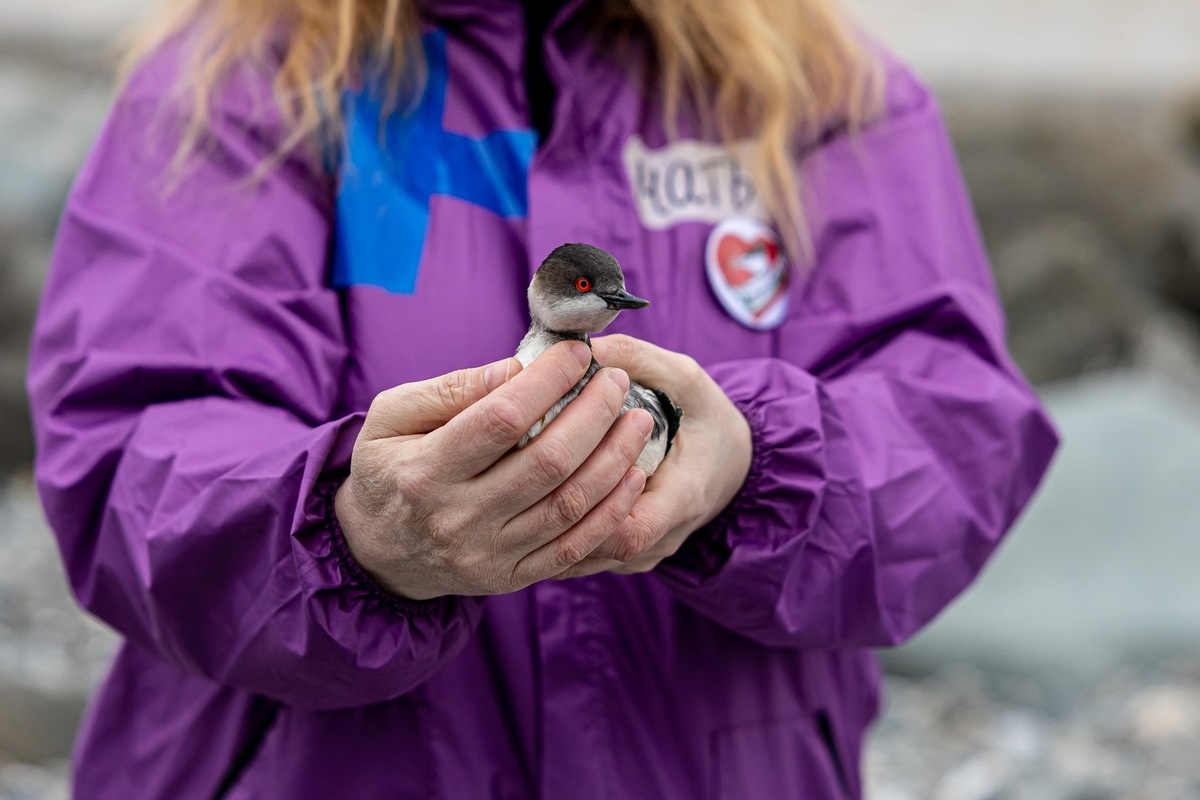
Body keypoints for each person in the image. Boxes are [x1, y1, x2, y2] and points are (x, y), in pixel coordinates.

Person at [26, 0, 1059, 797]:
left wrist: (754, 466)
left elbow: (955, 432)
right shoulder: (240, 83)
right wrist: (353, 530)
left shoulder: (814, 86)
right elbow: (131, 458)